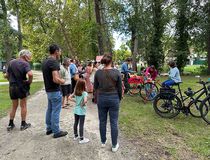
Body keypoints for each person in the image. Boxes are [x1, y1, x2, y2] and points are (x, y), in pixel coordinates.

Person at [94, 54, 122, 152]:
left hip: (101, 98)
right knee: (114, 122)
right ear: (111, 61)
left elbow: (95, 88)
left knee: (102, 121)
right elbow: (120, 88)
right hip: (114, 98)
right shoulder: (117, 72)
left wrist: (96, 98)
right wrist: (119, 98)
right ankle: (114, 145)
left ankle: (103, 141)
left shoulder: (98, 73)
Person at [42, 44, 68, 138]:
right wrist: (63, 81)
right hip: (55, 90)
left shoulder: (45, 62)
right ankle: (56, 131)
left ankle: (49, 128)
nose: (60, 53)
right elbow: (55, 79)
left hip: (48, 90)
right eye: (60, 51)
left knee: (50, 109)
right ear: (56, 51)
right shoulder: (54, 62)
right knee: (56, 111)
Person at [5, 49, 33, 131]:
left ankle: (10, 124)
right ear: (25, 56)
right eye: (29, 55)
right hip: (21, 87)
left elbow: (6, 75)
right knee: (23, 105)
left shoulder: (11, 62)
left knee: (14, 106)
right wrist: (29, 81)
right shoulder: (25, 63)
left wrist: (11, 81)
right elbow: (30, 74)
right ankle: (23, 124)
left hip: (12, 87)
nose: (30, 57)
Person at [68, 79, 89, 144]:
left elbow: (69, 97)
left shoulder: (75, 92)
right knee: (81, 124)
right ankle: (82, 138)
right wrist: (82, 104)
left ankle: (76, 135)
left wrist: (76, 102)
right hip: (82, 111)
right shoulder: (84, 93)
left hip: (76, 110)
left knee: (76, 122)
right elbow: (85, 101)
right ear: (83, 85)